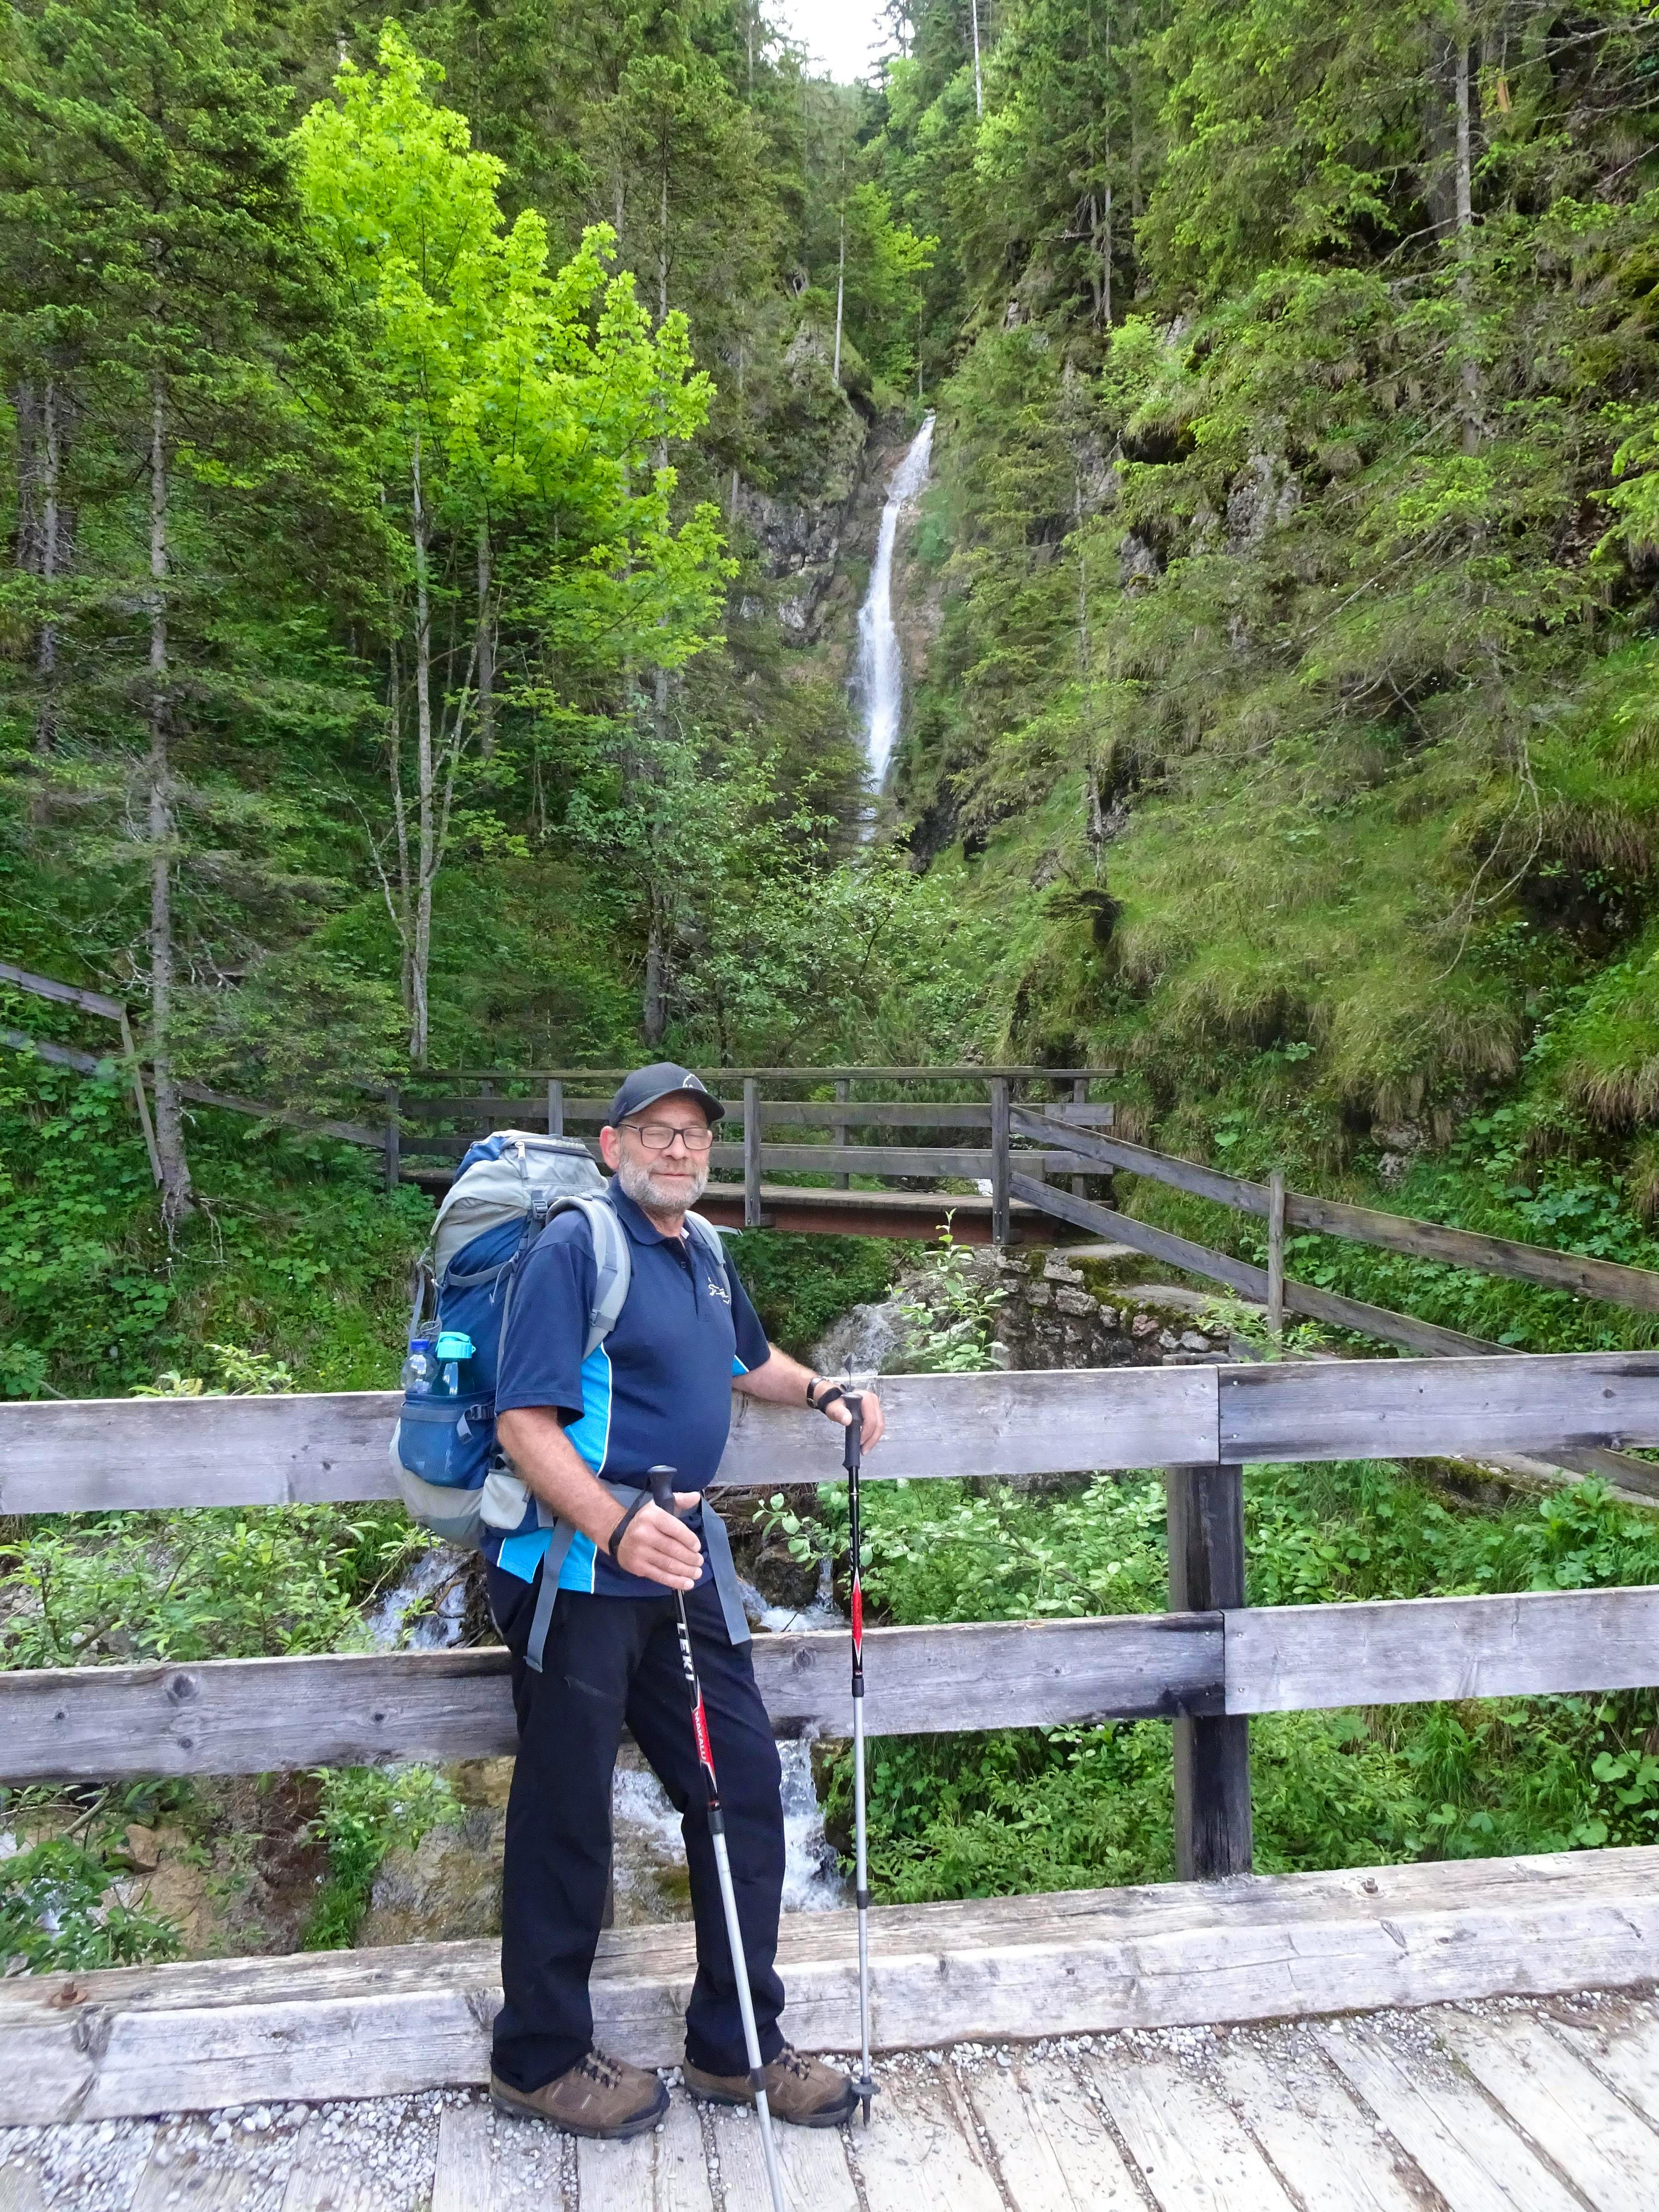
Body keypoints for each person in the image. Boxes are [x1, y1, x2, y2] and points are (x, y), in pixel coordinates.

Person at [485, 1061, 887, 2140]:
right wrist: (614, 1523)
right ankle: (538, 2058)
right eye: (656, 1131)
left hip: (682, 1569)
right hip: (576, 1573)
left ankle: (736, 2045)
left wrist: (822, 1389)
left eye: (694, 1134)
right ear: (612, 1145)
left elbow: (747, 1361)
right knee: (568, 1810)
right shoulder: (577, 1247)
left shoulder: (703, 1250)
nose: (678, 1148)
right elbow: (522, 1422)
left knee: (742, 1784)